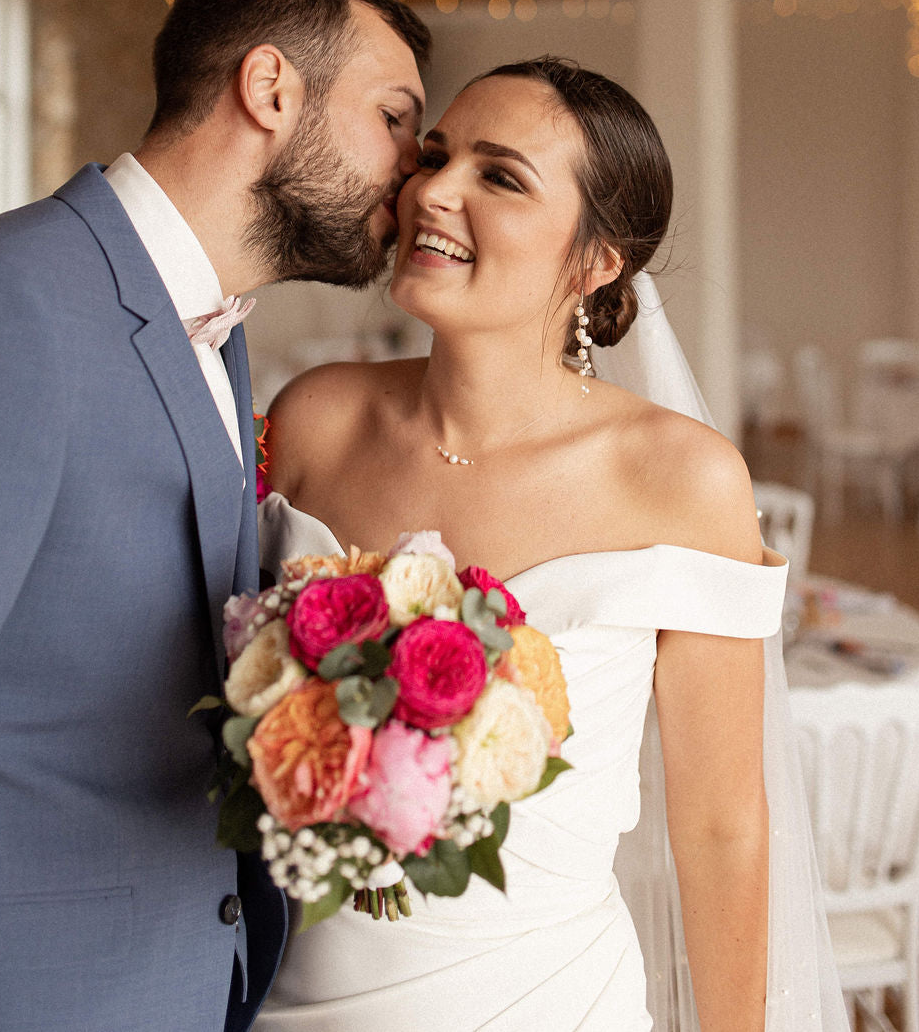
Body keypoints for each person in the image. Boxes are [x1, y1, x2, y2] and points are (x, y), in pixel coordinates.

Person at [253, 57, 849, 1031]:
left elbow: (721, 825)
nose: (432, 190)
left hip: (547, 1000)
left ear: (595, 260)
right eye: (435, 155)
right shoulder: (317, 417)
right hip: (292, 997)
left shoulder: (680, 479)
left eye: (500, 175)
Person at [0, 0, 429, 1032]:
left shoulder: (217, 333)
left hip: (178, 976)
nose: (414, 173)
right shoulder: (5, 302)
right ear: (270, 89)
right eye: (394, 118)